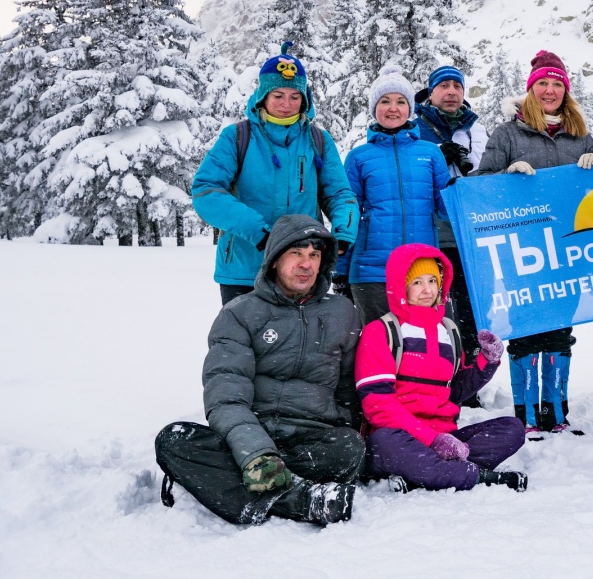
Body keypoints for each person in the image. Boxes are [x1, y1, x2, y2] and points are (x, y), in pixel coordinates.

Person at [154, 216, 365, 525]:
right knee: (173, 440)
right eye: (296, 253)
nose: (306, 264)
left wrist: (346, 425)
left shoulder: (343, 312)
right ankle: (301, 499)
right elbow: (226, 395)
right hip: (251, 430)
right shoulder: (239, 313)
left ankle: (226, 484)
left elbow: (349, 386)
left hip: (310, 437)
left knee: (350, 448)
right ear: (275, 259)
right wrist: (255, 452)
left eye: (314, 255)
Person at [473, 49, 593, 434]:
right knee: (527, 328)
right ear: (530, 90)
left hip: (567, 249)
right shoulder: (508, 133)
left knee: (561, 329)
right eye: (542, 83)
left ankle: (556, 412)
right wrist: (506, 176)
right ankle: (526, 415)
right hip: (523, 250)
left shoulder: (581, 135)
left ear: (566, 90)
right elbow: (481, 184)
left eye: (556, 84)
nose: (549, 90)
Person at [191, 43, 359, 304]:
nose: (286, 104)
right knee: (242, 342)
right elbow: (206, 191)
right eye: (278, 95)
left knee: (303, 344)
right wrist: (260, 233)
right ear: (263, 96)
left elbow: (339, 194)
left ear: (304, 99)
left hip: (302, 271)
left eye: (294, 96)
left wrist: (343, 234)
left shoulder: (318, 140)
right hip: (245, 269)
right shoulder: (237, 136)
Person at [355, 244, 527, 492]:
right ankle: (477, 477)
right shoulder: (381, 331)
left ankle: (427, 472)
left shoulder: (449, 331)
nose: (427, 290)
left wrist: (486, 362)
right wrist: (432, 440)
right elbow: (378, 406)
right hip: (400, 437)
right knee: (385, 441)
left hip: (446, 437)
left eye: (432, 281)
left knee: (512, 429)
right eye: (417, 282)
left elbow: (453, 392)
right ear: (401, 285)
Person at [334, 66, 452, 326]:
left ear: (410, 108)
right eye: (384, 101)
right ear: (374, 108)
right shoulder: (358, 157)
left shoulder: (430, 153)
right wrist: (340, 270)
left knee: (420, 353)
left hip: (420, 270)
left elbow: (446, 211)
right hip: (371, 272)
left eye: (400, 101)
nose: (392, 108)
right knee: (378, 351)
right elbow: (347, 214)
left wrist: (455, 188)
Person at [413, 64, 490, 374]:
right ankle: (435, 368)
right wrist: (437, 155)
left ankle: (469, 369)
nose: (451, 92)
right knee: (433, 303)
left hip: (466, 231)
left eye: (456, 86)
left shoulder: (475, 128)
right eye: (443, 86)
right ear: (431, 93)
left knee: (469, 304)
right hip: (430, 230)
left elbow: (486, 169)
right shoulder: (416, 128)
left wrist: (468, 164)